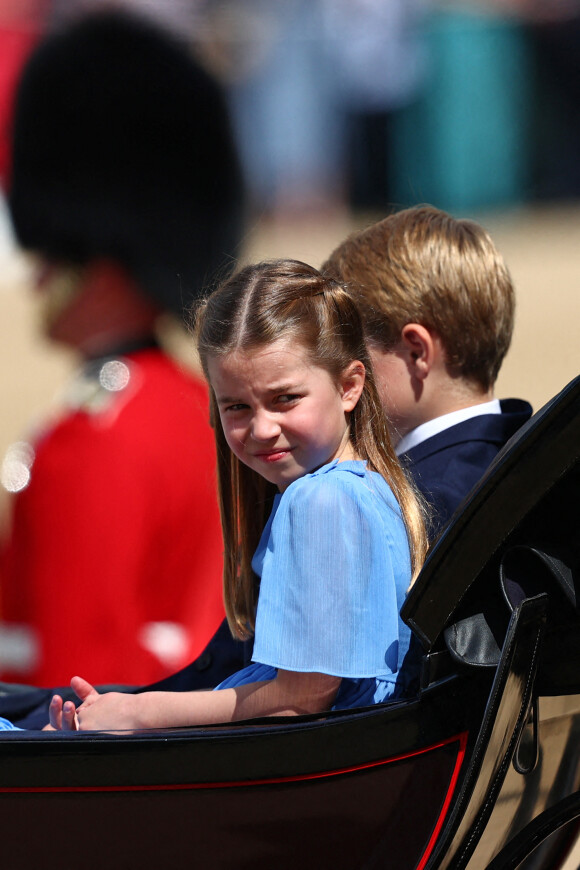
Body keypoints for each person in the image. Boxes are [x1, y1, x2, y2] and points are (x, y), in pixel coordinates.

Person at [31, 258, 428, 732]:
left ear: (349, 386)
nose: (261, 428)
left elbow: (302, 697)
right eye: (236, 406)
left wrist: (137, 712)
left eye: (286, 399)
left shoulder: (320, 501)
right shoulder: (356, 488)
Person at [0, 9, 244, 686]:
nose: (37, 271)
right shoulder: (202, 406)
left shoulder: (91, 441)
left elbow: (80, 696)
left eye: (54, 252)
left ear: (104, 265)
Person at [322, 205, 533, 535]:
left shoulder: (416, 509)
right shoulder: (538, 460)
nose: (335, 377)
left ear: (417, 351)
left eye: (347, 352)